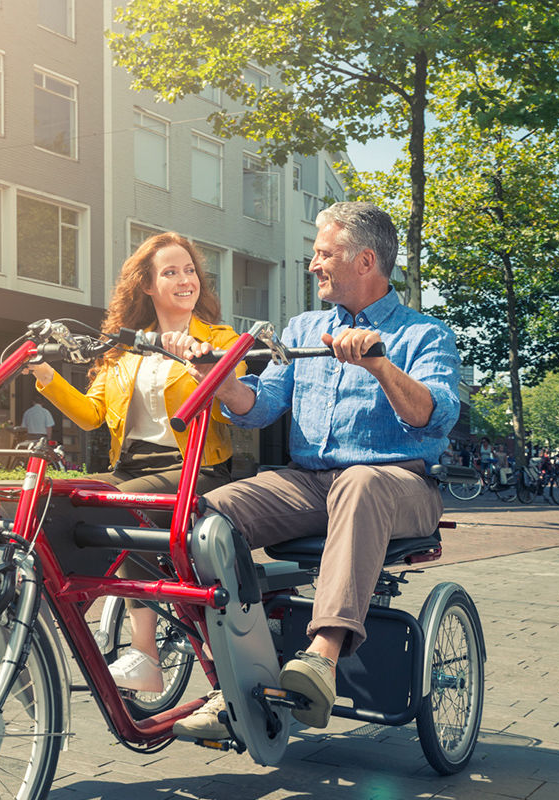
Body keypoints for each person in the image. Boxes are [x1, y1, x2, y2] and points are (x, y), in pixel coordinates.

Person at [163, 201, 460, 739]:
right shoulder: (302, 329)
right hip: (310, 483)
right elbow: (261, 406)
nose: (312, 264)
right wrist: (218, 377)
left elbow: (431, 418)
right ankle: (233, 677)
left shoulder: (425, 335)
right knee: (204, 517)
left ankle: (322, 657)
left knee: (360, 481)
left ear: (365, 260)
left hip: (400, 483)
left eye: (323, 253)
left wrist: (379, 363)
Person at [29, 231, 244, 690]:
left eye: (190, 271)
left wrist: (202, 364)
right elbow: (91, 417)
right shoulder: (124, 351)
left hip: (195, 469)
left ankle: (145, 654)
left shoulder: (219, 339)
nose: (185, 280)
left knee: (121, 502)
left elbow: (232, 396)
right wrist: (46, 376)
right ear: (147, 285)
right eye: (171, 272)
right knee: (48, 501)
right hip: (132, 467)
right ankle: (20, 633)